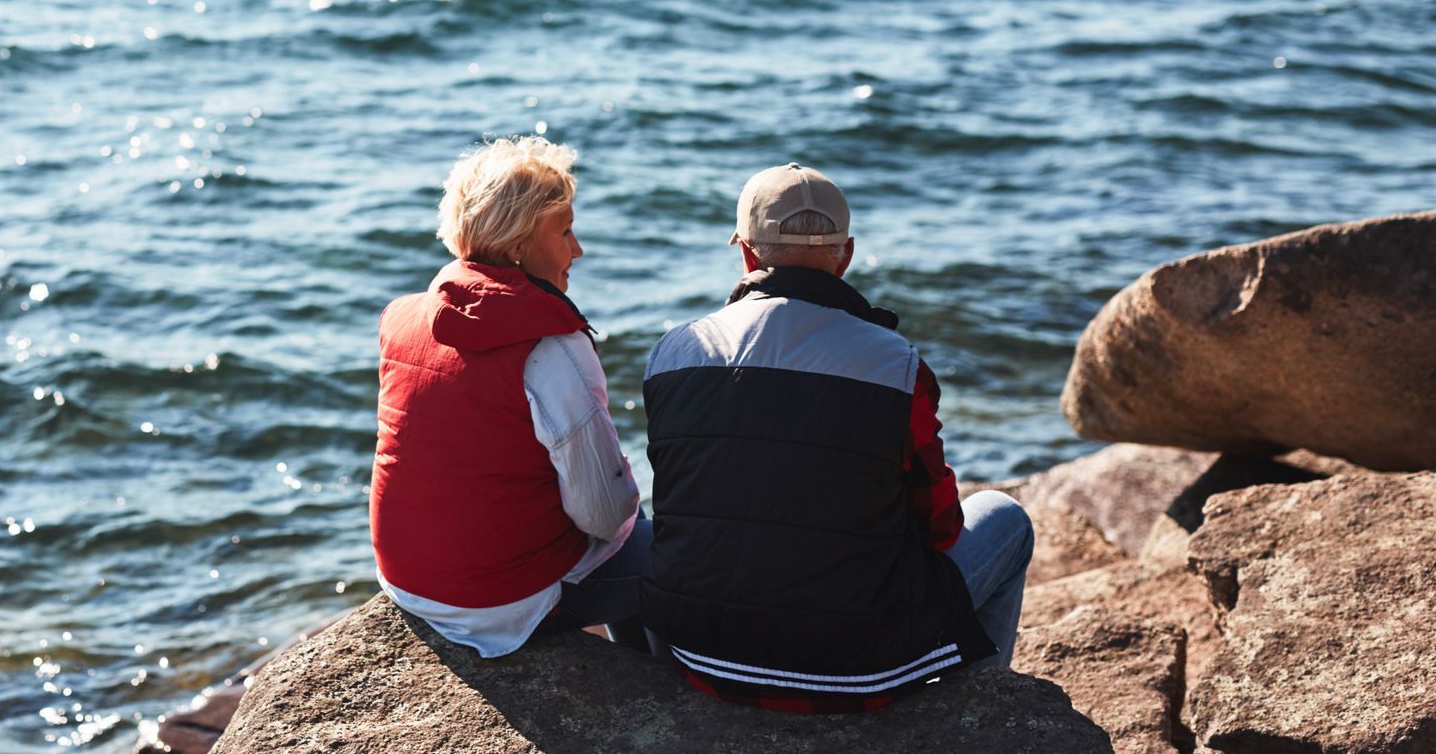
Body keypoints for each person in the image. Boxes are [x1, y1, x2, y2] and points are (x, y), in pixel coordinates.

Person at [642, 163, 1032, 712]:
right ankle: (973, 713)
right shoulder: (897, 367)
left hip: (702, 653)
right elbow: (941, 527)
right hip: (854, 666)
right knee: (1007, 518)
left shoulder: (674, 354)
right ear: (844, 256)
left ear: (747, 254)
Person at [371, 135, 648, 656]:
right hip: (498, 604)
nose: (578, 250)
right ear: (519, 245)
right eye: (565, 231)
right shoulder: (551, 348)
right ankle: (658, 693)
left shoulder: (400, 317)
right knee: (671, 552)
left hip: (407, 582)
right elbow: (604, 517)